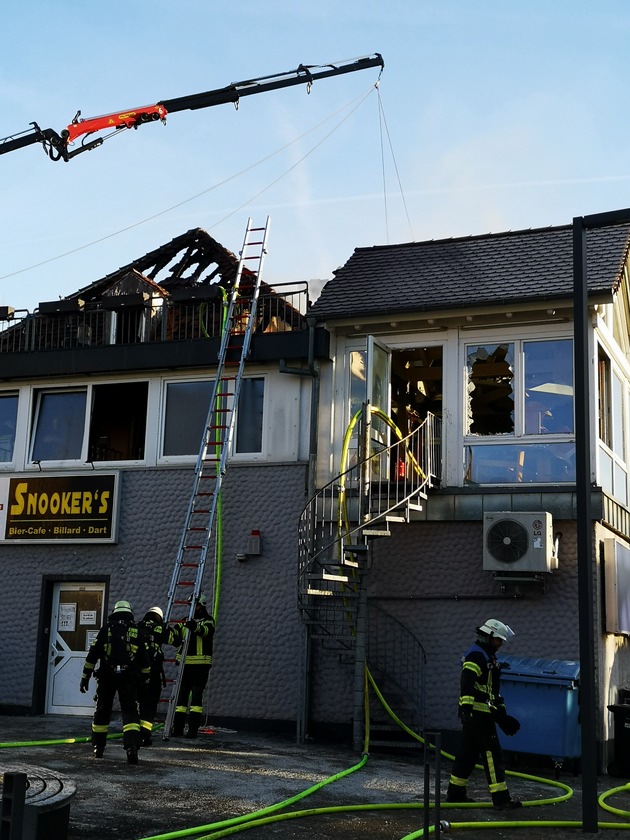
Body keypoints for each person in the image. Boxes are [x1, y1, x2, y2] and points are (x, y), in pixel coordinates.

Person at [446, 618, 522, 810]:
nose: (501, 643)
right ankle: (501, 800)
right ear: (489, 636)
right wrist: (466, 709)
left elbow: (492, 692)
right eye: (499, 640)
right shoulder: (477, 656)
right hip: (478, 716)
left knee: (467, 755)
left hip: (480, 715)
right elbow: (467, 684)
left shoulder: (488, 657)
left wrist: (502, 716)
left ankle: (455, 794)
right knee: (492, 756)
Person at [80, 599, 150, 764]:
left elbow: (92, 656)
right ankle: (132, 747)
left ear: (115, 612)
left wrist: (85, 677)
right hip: (129, 678)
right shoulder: (137, 631)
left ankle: (98, 747)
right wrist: (144, 680)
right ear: (129, 613)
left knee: (103, 709)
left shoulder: (106, 630)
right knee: (130, 711)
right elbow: (145, 660)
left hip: (107, 676)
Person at [171, 593, 216, 739]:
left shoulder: (209, 621)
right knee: (181, 699)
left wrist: (195, 627)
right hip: (185, 665)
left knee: (196, 698)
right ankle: (178, 729)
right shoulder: (184, 621)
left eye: (195, 605)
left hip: (200, 666)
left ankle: (192, 730)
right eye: (191, 605)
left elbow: (206, 632)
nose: (192, 608)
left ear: (202, 606)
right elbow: (175, 636)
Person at [137, 605, 179, 746]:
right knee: (150, 704)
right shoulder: (160, 628)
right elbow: (176, 640)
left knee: (135, 703)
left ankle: (132, 734)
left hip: (135, 673)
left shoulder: (137, 626)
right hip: (153, 672)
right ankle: (145, 735)